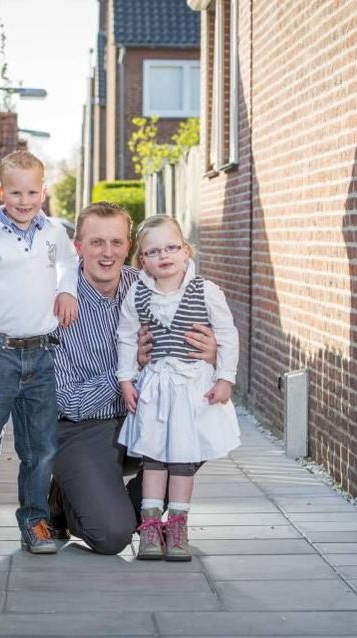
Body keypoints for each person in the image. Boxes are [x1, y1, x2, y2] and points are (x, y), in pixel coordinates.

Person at [51, 203, 218, 555]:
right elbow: (65, 401)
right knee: (112, 536)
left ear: (130, 246)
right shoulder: (58, 303)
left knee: (199, 428)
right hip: (81, 427)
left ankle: (146, 513)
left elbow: (198, 339)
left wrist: (209, 353)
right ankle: (65, 496)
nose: (107, 253)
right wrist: (128, 373)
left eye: (116, 242)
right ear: (78, 247)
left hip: (141, 417)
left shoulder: (152, 287)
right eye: (96, 243)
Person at [0, 150, 79, 559]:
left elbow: (69, 261)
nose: (24, 201)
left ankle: (34, 522)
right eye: (15, 192)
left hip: (43, 356)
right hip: (0, 353)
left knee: (40, 448)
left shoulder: (54, 233)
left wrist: (66, 289)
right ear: (0, 192)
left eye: (31, 192)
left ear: (43, 191)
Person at [117, 215, 240, 561]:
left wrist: (225, 377)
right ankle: (150, 528)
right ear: (143, 260)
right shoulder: (138, 293)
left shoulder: (206, 290)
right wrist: (126, 379)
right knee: (154, 457)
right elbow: (126, 337)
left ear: (186, 251)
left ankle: (178, 524)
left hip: (192, 386)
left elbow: (228, 334)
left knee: (184, 459)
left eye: (172, 247)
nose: (164, 255)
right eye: (153, 251)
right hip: (156, 386)